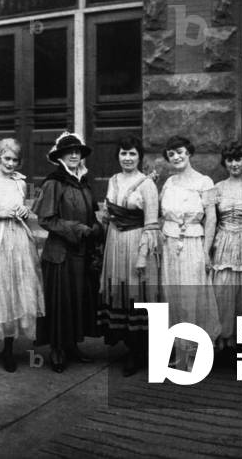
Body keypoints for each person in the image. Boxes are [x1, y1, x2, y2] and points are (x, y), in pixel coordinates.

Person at [0, 138, 44, 373]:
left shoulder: (20, 184)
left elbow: (27, 210)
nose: (11, 163)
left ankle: (9, 347)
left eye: (15, 160)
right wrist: (1, 214)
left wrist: (25, 210)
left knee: (14, 290)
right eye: (6, 158)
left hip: (18, 241)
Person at [34, 132, 104, 373]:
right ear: (60, 156)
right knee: (60, 301)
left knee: (77, 299)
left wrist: (96, 226)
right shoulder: (53, 182)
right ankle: (57, 349)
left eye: (78, 151)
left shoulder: (84, 181)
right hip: (60, 253)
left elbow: (92, 211)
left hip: (81, 252)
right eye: (69, 151)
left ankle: (72, 345)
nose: (74, 155)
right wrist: (77, 228)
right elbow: (45, 218)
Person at [97, 135, 160, 376]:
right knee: (120, 293)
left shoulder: (147, 184)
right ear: (118, 156)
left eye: (132, 153)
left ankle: (139, 350)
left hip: (136, 243)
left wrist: (143, 255)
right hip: (115, 242)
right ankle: (126, 344)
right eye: (123, 153)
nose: (127, 158)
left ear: (139, 157)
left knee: (137, 294)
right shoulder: (113, 180)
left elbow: (152, 222)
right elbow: (108, 212)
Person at [159, 135, 221, 370]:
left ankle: (194, 353)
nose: (176, 157)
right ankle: (179, 351)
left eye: (180, 152)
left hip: (194, 244)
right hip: (170, 245)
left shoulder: (205, 182)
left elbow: (212, 218)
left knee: (192, 298)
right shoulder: (168, 183)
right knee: (172, 297)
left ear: (189, 153)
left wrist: (206, 251)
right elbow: (160, 213)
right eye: (171, 154)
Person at [210, 143, 242, 360]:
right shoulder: (218, 187)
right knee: (223, 289)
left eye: (238, 159)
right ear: (225, 162)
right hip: (224, 241)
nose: (234, 164)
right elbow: (211, 219)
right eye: (230, 160)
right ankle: (224, 340)